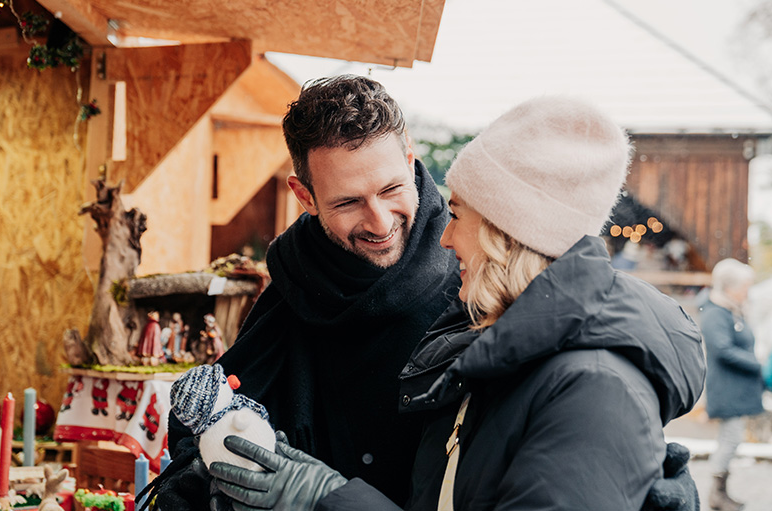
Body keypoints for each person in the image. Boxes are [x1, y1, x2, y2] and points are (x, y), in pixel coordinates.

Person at [148, 79, 700, 511]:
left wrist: (324, 496)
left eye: (391, 189)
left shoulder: (484, 307)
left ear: (411, 159)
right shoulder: (290, 291)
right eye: (347, 202)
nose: (381, 220)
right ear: (305, 197)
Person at [700, 258, 762, 511]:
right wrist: (757, 364)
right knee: (729, 440)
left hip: (735, 387)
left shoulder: (732, 310)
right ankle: (717, 493)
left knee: (732, 439)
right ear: (729, 287)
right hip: (726, 388)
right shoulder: (716, 313)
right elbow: (723, 350)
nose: (747, 290)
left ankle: (721, 492)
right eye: (743, 286)